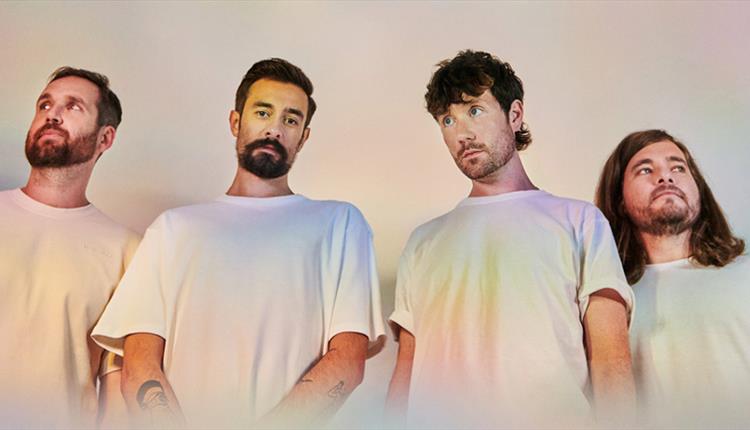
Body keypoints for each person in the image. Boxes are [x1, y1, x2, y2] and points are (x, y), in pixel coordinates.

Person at [92, 58, 385, 429]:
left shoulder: (340, 224)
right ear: (236, 122)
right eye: (263, 112)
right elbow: (139, 366)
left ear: (304, 137)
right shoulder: (172, 230)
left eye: (291, 120)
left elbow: (347, 361)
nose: (275, 129)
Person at [385, 50, 635, 429]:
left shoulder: (579, 220)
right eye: (447, 120)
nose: (461, 133)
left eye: (475, 110)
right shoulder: (423, 242)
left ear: (515, 114)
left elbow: (611, 363)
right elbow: (405, 373)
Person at [0, 67, 139, 428]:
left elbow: (116, 383)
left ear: (105, 138)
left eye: (73, 107)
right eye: (44, 104)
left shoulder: (126, 250)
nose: (52, 114)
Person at [595, 129, 748, 428]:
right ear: (620, 199)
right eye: (645, 169)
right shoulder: (607, 298)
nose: (666, 178)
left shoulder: (745, 274)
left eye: (678, 167)